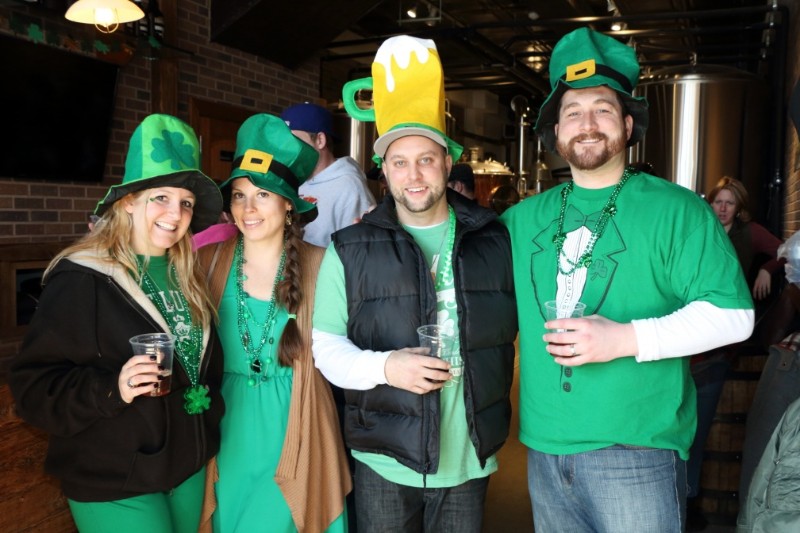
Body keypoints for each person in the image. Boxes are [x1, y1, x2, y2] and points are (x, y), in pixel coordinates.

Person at [500, 27, 754, 532]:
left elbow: (735, 316)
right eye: (572, 111)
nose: (587, 123)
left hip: (637, 453)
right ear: (555, 132)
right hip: (544, 450)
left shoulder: (676, 210)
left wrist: (624, 338)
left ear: (628, 123)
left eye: (603, 109)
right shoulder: (521, 219)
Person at [313, 35, 518, 533]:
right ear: (384, 171)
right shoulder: (350, 246)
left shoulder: (495, 238)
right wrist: (388, 367)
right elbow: (325, 349)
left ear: (448, 163)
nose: (414, 175)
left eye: (426, 159)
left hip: (469, 453)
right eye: (399, 162)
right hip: (386, 455)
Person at [9, 114, 225, 533]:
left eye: (185, 203)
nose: (174, 214)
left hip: (186, 466)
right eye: (160, 197)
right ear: (128, 200)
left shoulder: (190, 274)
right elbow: (32, 388)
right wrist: (113, 388)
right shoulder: (82, 277)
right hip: (113, 477)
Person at [196, 113, 351, 533]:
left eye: (263, 195)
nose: (249, 208)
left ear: (288, 205)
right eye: (240, 196)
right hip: (226, 430)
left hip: (296, 426)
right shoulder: (206, 264)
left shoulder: (322, 266)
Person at [686, 175, 784, 528]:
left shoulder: (750, 233)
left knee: (697, 429)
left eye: (730, 203)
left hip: (722, 342)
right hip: (692, 336)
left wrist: (767, 270)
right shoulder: (698, 229)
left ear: (739, 207)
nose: (723, 208)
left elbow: (784, 250)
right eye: (718, 201)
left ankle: (689, 504)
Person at [281, 102, 375, 247]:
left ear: (320, 140)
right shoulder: (294, 181)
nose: (287, 150)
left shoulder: (349, 187)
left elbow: (356, 254)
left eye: (294, 141)